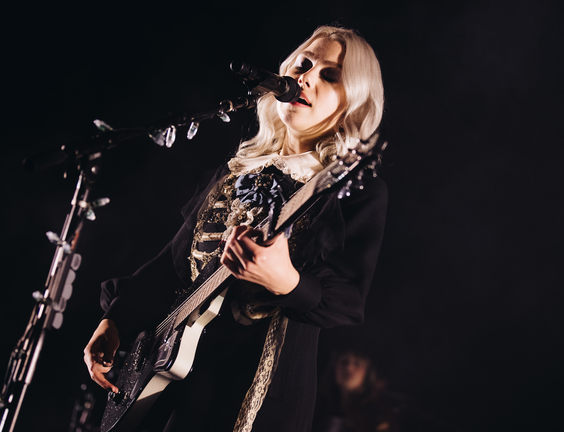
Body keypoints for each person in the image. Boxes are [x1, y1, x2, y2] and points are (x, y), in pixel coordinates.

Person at [84, 25, 388, 432]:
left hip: (254, 394)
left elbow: (349, 301)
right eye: (304, 63)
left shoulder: (347, 186)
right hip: (177, 385)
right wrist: (115, 320)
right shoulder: (234, 171)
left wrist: (288, 281)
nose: (307, 77)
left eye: (331, 75)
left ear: (354, 103)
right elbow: (173, 267)